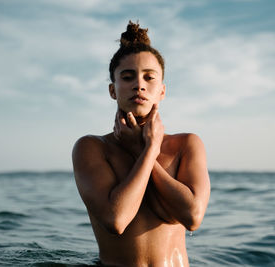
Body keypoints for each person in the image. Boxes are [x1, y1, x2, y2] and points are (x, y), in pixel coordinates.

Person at [72, 21, 210, 267]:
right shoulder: (91, 148)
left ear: (162, 91)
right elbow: (117, 220)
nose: (139, 84)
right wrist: (146, 152)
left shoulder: (187, 144)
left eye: (149, 77)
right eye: (127, 77)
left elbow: (192, 217)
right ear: (113, 90)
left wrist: (142, 149)